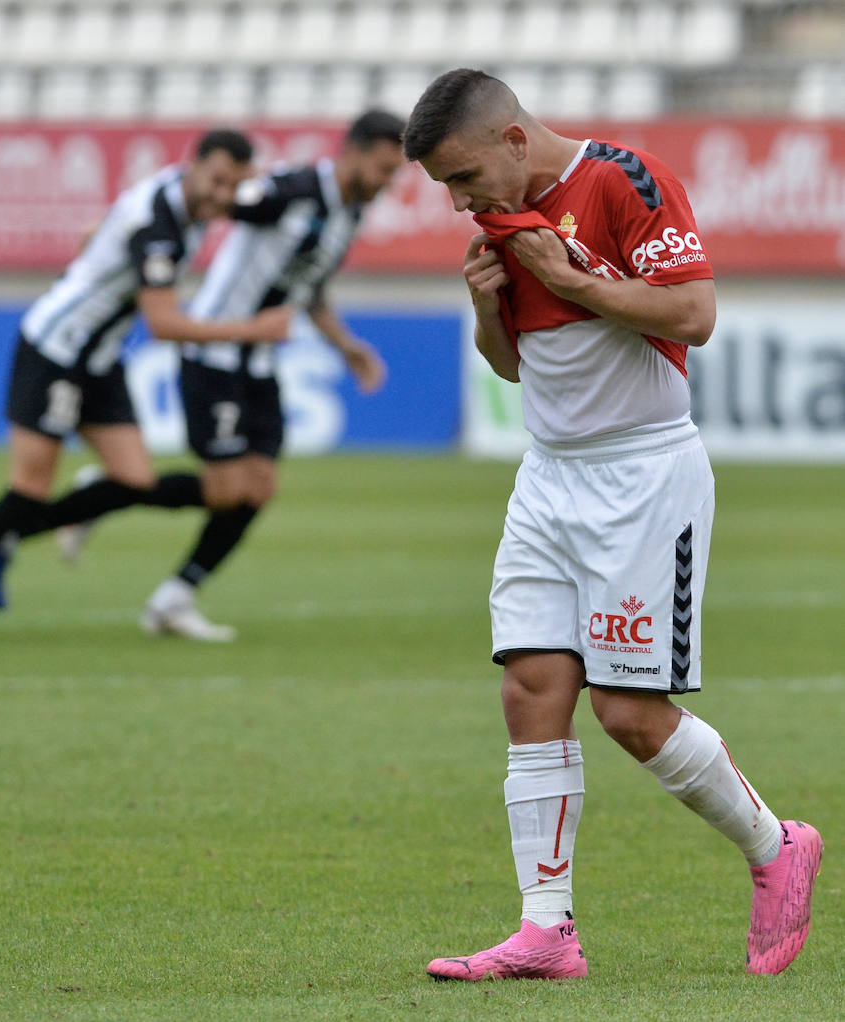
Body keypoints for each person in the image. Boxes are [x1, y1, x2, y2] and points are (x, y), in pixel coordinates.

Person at [402, 68, 822, 981]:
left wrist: (570, 277)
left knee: (629, 712)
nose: (458, 201)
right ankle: (547, 930)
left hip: (643, 477)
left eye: (464, 177)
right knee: (531, 687)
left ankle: (776, 844)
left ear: (514, 139)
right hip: (548, 479)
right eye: (445, 186)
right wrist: (487, 307)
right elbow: (514, 371)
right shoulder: (500, 226)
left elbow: (694, 315)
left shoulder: (626, 181)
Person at [0, 129, 291, 645]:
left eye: (234, 187)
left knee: (134, 481)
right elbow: (164, 324)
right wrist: (255, 329)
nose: (222, 197)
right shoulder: (158, 222)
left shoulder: (180, 200)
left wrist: (93, 267)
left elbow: (97, 232)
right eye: (218, 182)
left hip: (99, 358)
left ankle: (13, 534)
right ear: (194, 165)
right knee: (29, 489)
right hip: (55, 352)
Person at [138, 107, 406, 640]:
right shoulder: (291, 191)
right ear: (350, 153)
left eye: (394, 172)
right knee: (226, 487)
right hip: (214, 352)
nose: (387, 182)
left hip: (259, 362)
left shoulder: (349, 215)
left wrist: (347, 347)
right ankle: (114, 488)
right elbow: (215, 202)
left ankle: (175, 596)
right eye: (382, 167)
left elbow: (311, 290)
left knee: (258, 487)